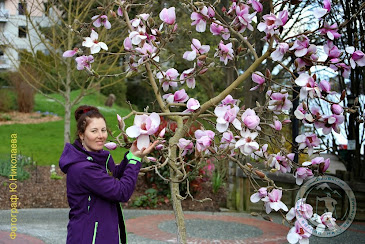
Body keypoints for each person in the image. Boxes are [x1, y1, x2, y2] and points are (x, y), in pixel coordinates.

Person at [59, 105, 158, 244]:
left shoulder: (97, 157)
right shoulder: (83, 169)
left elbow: (114, 174)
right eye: (94, 131)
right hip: (89, 238)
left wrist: (132, 154)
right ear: (82, 135)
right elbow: (121, 192)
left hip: (102, 234)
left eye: (103, 130)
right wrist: (135, 161)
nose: (101, 136)